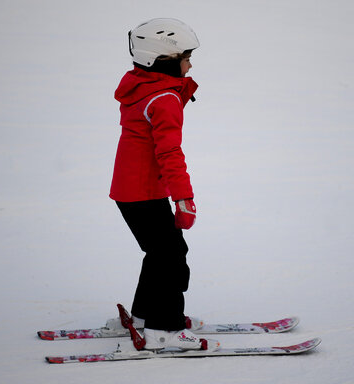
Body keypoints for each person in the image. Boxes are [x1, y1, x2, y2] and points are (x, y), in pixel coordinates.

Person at [109, 18, 217, 351]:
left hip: (132, 191)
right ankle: (165, 329)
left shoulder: (141, 85)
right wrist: (184, 199)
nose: (190, 63)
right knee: (171, 256)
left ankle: (144, 315)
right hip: (142, 192)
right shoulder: (164, 99)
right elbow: (170, 152)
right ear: (163, 61)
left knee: (160, 253)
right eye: (186, 56)